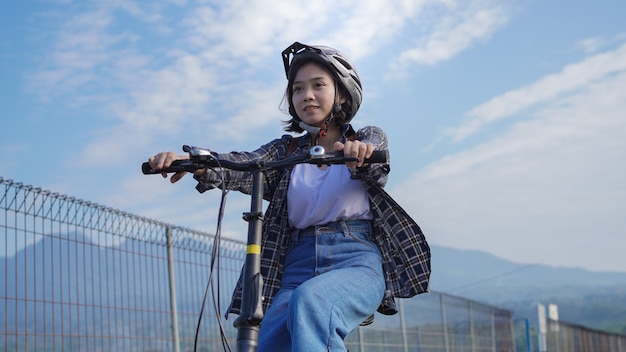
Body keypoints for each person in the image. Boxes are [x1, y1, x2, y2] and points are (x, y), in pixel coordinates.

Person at [147, 42, 431, 352]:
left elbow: (376, 158)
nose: (306, 95)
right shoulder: (287, 151)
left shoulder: (363, 138)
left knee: (313, 303)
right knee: (271, 337)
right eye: (297, 89)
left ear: (343, 94)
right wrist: (195, 162)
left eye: (318, 85)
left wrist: (360, 155)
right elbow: (243, 163)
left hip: (356, 260)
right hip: (295, 266)